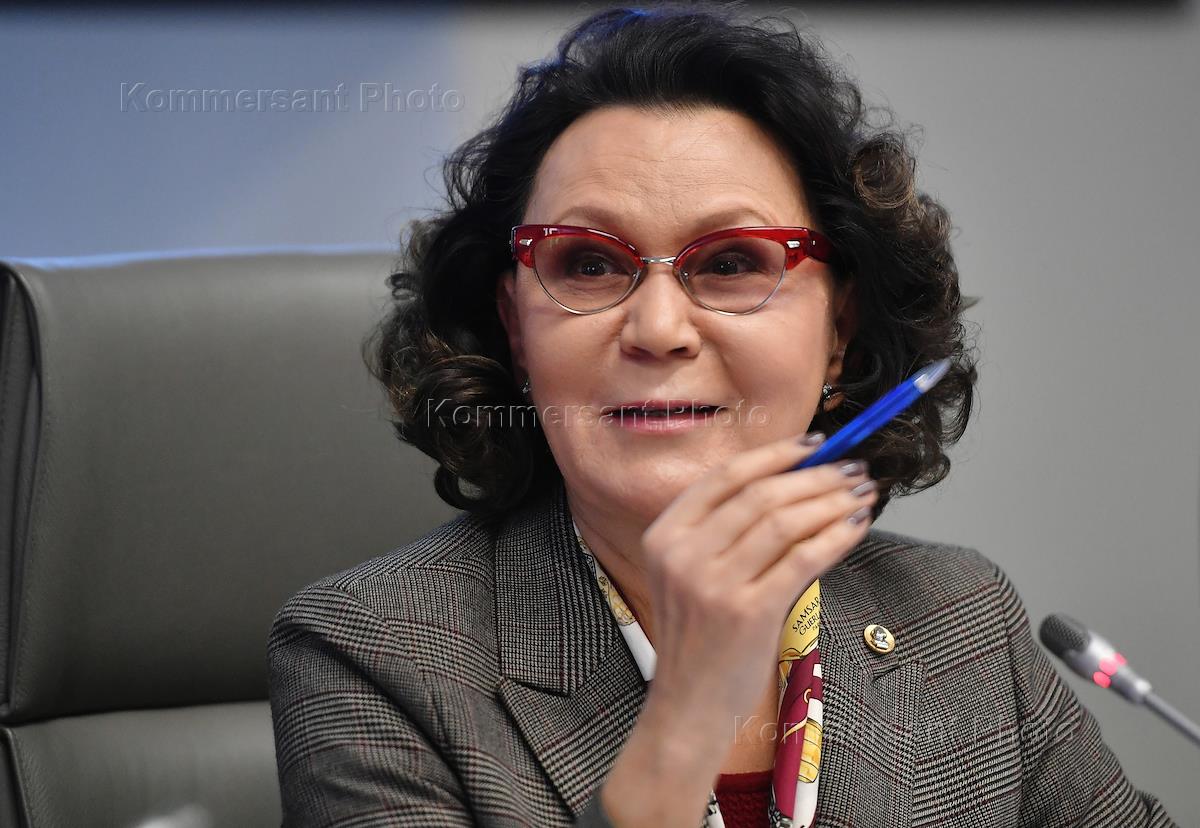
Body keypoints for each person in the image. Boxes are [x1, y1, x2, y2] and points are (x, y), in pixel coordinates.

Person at [266, 4, 1179, 827]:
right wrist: (692, 706)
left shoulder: (960, 620)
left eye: (733, 262)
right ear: (514, 327)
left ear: (839, 331)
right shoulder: (373, 655)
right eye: (588, 263)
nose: (659, 329)